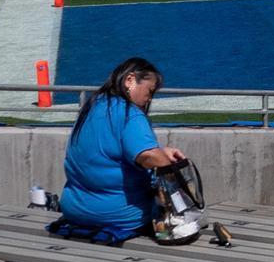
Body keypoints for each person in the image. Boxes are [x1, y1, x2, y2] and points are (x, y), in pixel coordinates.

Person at [53, 57, 188, 244]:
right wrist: (168, 164)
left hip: (74, 210)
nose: (149, 99)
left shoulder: (93, 105)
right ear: (130, 80)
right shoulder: (130, 114)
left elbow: (109, 150)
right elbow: (147, 156)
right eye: (150, 91)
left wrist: (160, 151)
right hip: (118, 216)